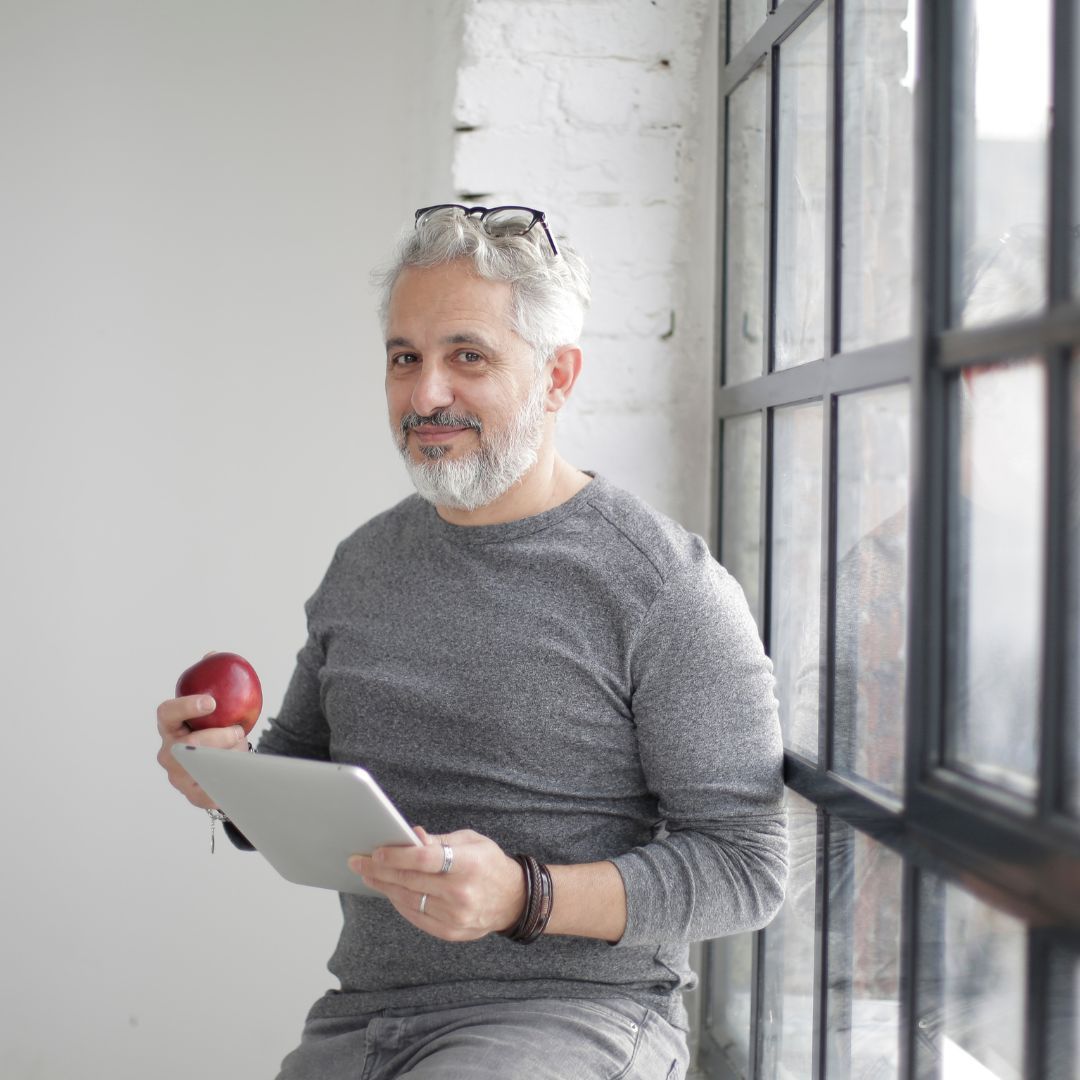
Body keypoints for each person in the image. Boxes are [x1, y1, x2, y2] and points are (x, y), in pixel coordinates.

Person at [156, 203, 787, 1079]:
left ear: (558, 376)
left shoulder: (666, 589)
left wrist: (527, 895)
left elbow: (747, 868)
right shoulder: (365, 563)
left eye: (468, 357)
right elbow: (298, 780)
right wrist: (222, 776)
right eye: (404, 358)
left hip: (574, 1020)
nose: (425, 396)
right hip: (361, 1020)